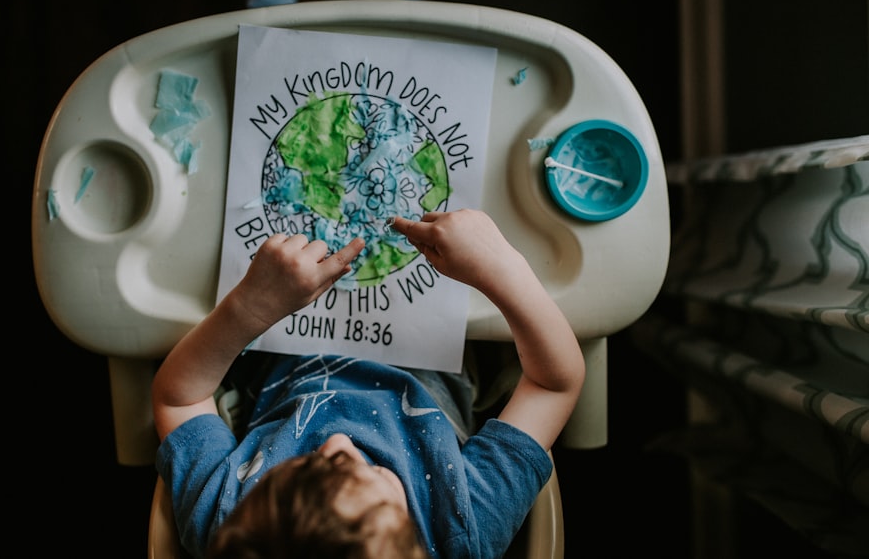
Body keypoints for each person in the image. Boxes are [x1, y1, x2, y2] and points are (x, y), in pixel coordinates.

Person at [152, 209, 586, 558]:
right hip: (438, 344)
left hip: (280, 338)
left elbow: (179, 399)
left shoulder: (230, 522)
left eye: (301, 466)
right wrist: (501, 266)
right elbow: (553, 385)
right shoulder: (463, 528)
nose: (337, 441)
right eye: (371, 472)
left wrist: (250, 306)